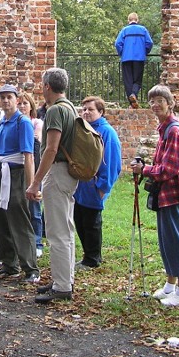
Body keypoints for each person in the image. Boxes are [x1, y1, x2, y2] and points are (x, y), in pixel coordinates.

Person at [130, 84, 179, 308]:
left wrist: (143, 170)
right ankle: (170, 285)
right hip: (162, 194)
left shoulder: (174, 131)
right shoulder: (163, 129)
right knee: (166, 240)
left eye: (160, 101)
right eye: (152, 101)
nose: (155, 105)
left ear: (170, 103)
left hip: (172, 194)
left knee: (176, 240)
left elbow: (169, 169)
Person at [27, 68, 78, 304]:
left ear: (47, 86)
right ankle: (64, 279)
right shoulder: (70, 107)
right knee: (65, 230)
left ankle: (61, 286)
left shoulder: (56, 110)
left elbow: (51, 148)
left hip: (57, 173)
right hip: (68, 174)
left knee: (57, 233)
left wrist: (36, 181)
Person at [0, 84, 39, 283]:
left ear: (17, 99)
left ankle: (31, 268)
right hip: (1, 173)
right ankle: (9, 264)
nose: (6, 101)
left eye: (9, 97)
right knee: (2, 220)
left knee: (19, 220)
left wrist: (31, 185)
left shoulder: (22, 122)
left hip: (16, 174)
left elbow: (28, 156)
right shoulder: (0, 123)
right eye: (2, 97)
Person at [74, 96, 122, 271]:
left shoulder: (107, 132)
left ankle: (93, 258)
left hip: (94, 186)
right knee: (79, 219)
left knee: (91, 222)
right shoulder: (83, 129)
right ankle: (87, 255)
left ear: (100, 112)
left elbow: (112, 162)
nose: (86, 112)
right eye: (84, 109)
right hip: (80, 185)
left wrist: (102, 187)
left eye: (90, 109)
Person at [17, 91, 44, 258]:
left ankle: (37, 242)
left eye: (25, 103)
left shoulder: (36, 123)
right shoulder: (14, 122)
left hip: (33, 166)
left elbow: (36, 143)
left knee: (34, 206)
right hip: (17, 168)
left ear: (31, 106)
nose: (21, 106)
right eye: (19, 103)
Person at [114, 13, 154, 109]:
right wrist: (145, 52)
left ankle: (131, 103)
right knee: (137, 80)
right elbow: (149, 43)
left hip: (126, 58)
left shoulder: (124, 30)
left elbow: (117, 43)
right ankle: (134, 94)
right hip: (139, 58)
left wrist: (122, 53)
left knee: (128, 80)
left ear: (128, 20)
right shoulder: (143, 30)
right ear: (137, 20)